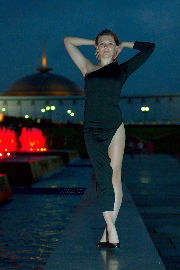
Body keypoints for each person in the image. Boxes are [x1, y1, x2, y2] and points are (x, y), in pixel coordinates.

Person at [64, 29, 155, 248]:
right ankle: (111, 228)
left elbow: (149, 48)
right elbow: (68, 40)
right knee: (102, 176)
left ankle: (109, 229)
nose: (105, 47)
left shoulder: (122, 70)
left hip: (115, 127)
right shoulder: (87, 69)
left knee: (115, 177)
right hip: (92, 130)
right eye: (102, 44)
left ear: (116, 51)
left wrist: (125, 43)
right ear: (97, 50)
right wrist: (92, 41)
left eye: (109, 44)